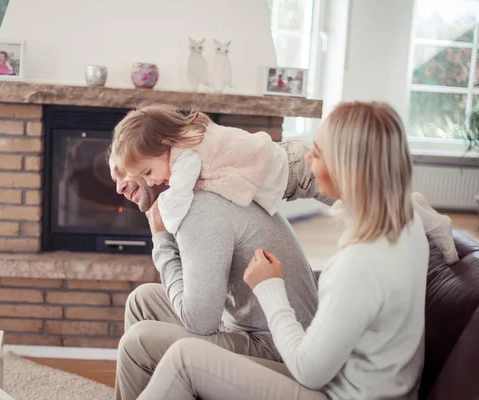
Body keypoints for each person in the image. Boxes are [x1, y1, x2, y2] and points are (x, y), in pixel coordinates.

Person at [137, 102, 430, 400]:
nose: (307, 158)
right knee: (150, 309)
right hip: (356, 383)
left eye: (317, 153)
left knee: (185, 359)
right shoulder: (410, 221)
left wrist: (270, 288)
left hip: (338, 394)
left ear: (350, 170)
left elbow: (307, 371)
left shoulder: (358, 264)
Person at [108, 144, 325, 400]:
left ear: (156, 158)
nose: (119, 187)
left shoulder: (201, 208)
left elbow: (200, 322)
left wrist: (161, 239)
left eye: (123, 171)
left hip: (275, 346)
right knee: (142, 300)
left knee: (138, 343)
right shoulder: (201, 192)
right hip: (245, 323)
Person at [110, 104, 320, 235]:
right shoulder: (184, 150)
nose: (148, 181)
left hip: (298, 168)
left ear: (165, 144)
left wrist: (159, 223)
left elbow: (176, 204)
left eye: (147, 172)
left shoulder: (186, 156)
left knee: (351, 200)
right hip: (291, 165)